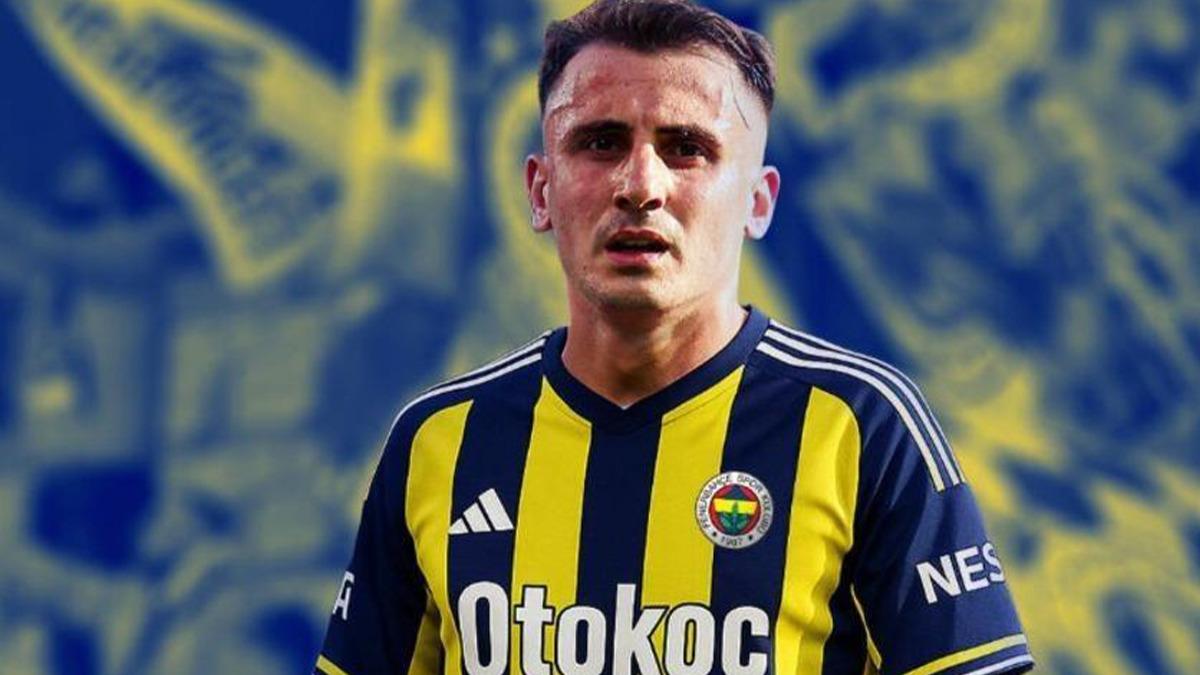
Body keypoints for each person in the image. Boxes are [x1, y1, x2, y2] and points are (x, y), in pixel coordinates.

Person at [314, 1, 1033, 674]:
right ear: (539, 190)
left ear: (757, 202)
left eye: (687, 148)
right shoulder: (439, 442)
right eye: (600, 142)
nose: (640, 185)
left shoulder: (862, 426)